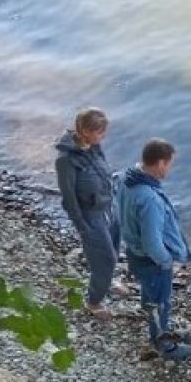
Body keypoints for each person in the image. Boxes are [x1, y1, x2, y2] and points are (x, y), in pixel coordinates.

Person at [118, 137, 191, 361]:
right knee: (161, 303)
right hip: (151, 261)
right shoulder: (149, 198)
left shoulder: (126, 178)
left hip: (134, 252)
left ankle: (149, 312)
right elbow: (152, 242)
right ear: (160, 163)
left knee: (150, 294)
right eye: (170, 164)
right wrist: (165, 261)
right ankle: (164, 346)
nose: (170, 169)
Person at [54, 107, 126, 320]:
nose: (103, 136)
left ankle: (107, 281)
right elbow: (68, 198)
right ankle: (93, 302)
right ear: (84, 131)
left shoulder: (95, 147)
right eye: (99, 132)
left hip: (108, 208)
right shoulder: (65, 161)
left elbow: (104, 173)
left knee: (113, 250)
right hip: (90, 216)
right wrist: (82, 226)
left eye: (104, 131)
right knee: (105, 259)